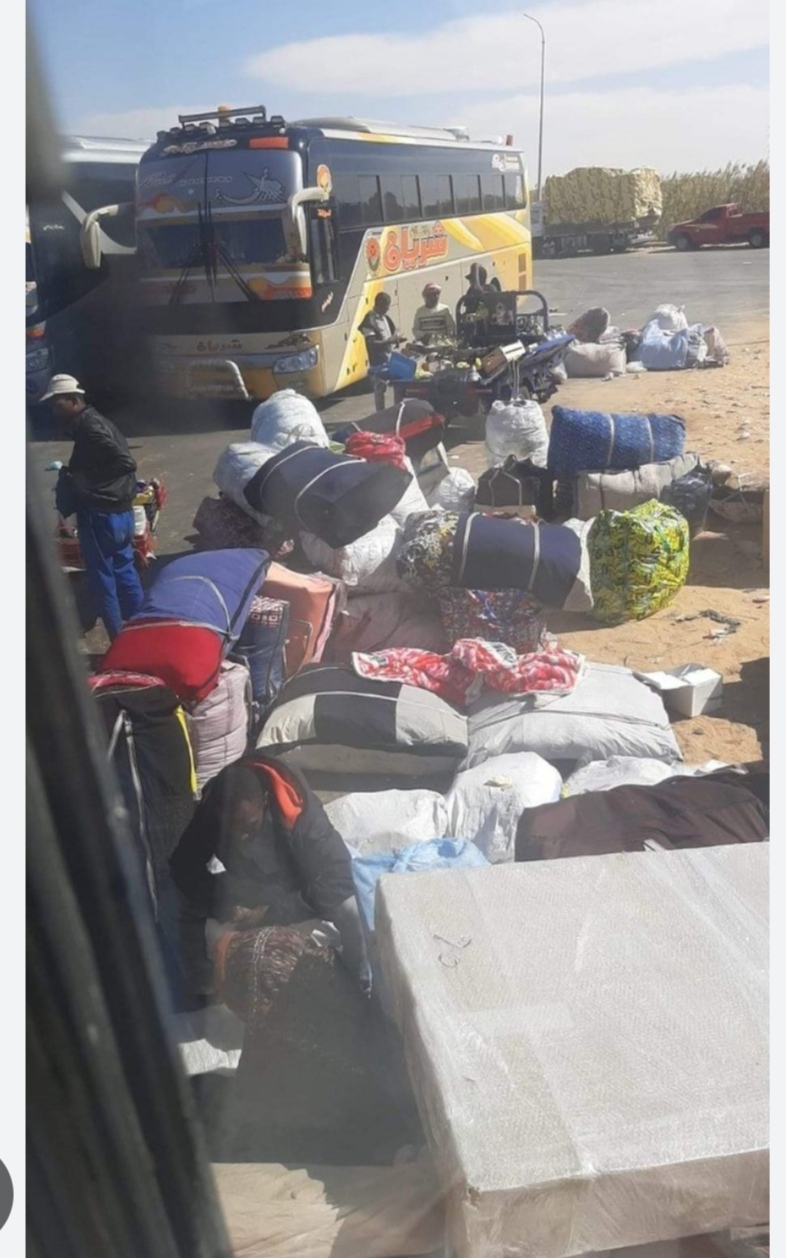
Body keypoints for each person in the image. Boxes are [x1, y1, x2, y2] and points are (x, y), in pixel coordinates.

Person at [169, 755, 369, 997]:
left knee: (352, 910)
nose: (240, 836)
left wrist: (271, 912)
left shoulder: (300, 814)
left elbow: (340, 879)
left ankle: (355, 987)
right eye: (231, 829)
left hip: (303, 885)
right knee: (179, 905)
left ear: (265, 801)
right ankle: (208, 989)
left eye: (249, 826)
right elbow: (183, 867)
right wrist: (223, 900)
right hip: (252, 885)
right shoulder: (213, 811)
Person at [42, 373, 144, 640]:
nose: (53, 409)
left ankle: (118, 640)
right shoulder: (98, 422)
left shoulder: (91, 429)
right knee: (124, 570)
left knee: (103, 580)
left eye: (57, 403)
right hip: (120, 512)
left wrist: (82, 480)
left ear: (74, 400)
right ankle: (143, 633)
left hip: (101, 515)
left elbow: (125, 463)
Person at [358, 292, 403, 412]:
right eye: (386, 305)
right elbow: (371, 342)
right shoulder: (370, 320)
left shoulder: (385, 318)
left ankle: (397, 411)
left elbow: (391, 333)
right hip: (377, 361)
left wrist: (397, 339)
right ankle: (380, 414)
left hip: (390, 358)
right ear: (379, 303)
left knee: (398, 385)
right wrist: (389, 341)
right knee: (379, 389)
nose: (388, 308)